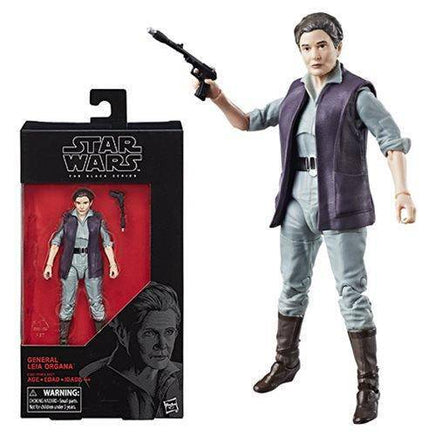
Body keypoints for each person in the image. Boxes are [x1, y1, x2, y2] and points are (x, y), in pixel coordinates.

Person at [197, 12, 416, 424]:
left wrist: (401, 190)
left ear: (338, 47)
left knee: (351, 292)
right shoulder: (295, 93)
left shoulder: (356, 94)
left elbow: (391, 141)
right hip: (296, 202)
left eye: (322, 45)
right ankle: (286, 361)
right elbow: (249, 121)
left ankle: (369, 385)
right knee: (292, 285)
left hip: (341, 204)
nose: (315, 54)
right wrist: (218, 97)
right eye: (306, 47)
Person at [79, 282, 183, 419]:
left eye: (169, 332)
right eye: (149, 333)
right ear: (122, 333)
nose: (162, 345)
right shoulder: (92, 381)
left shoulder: (183, 376)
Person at [43, 188, 119, 345]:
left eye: (85, 202)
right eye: (78, 203)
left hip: (92, 262)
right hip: (70, 262)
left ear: (91, 203)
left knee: (96, 301)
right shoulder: (67, 219)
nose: (81, 206)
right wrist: (49, 264)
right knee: (67, 301)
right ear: (74, 203)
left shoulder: (97, 220)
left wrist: (113, 264)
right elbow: (56, 242)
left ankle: (101, 341)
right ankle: (63, 341)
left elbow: (107, 243)